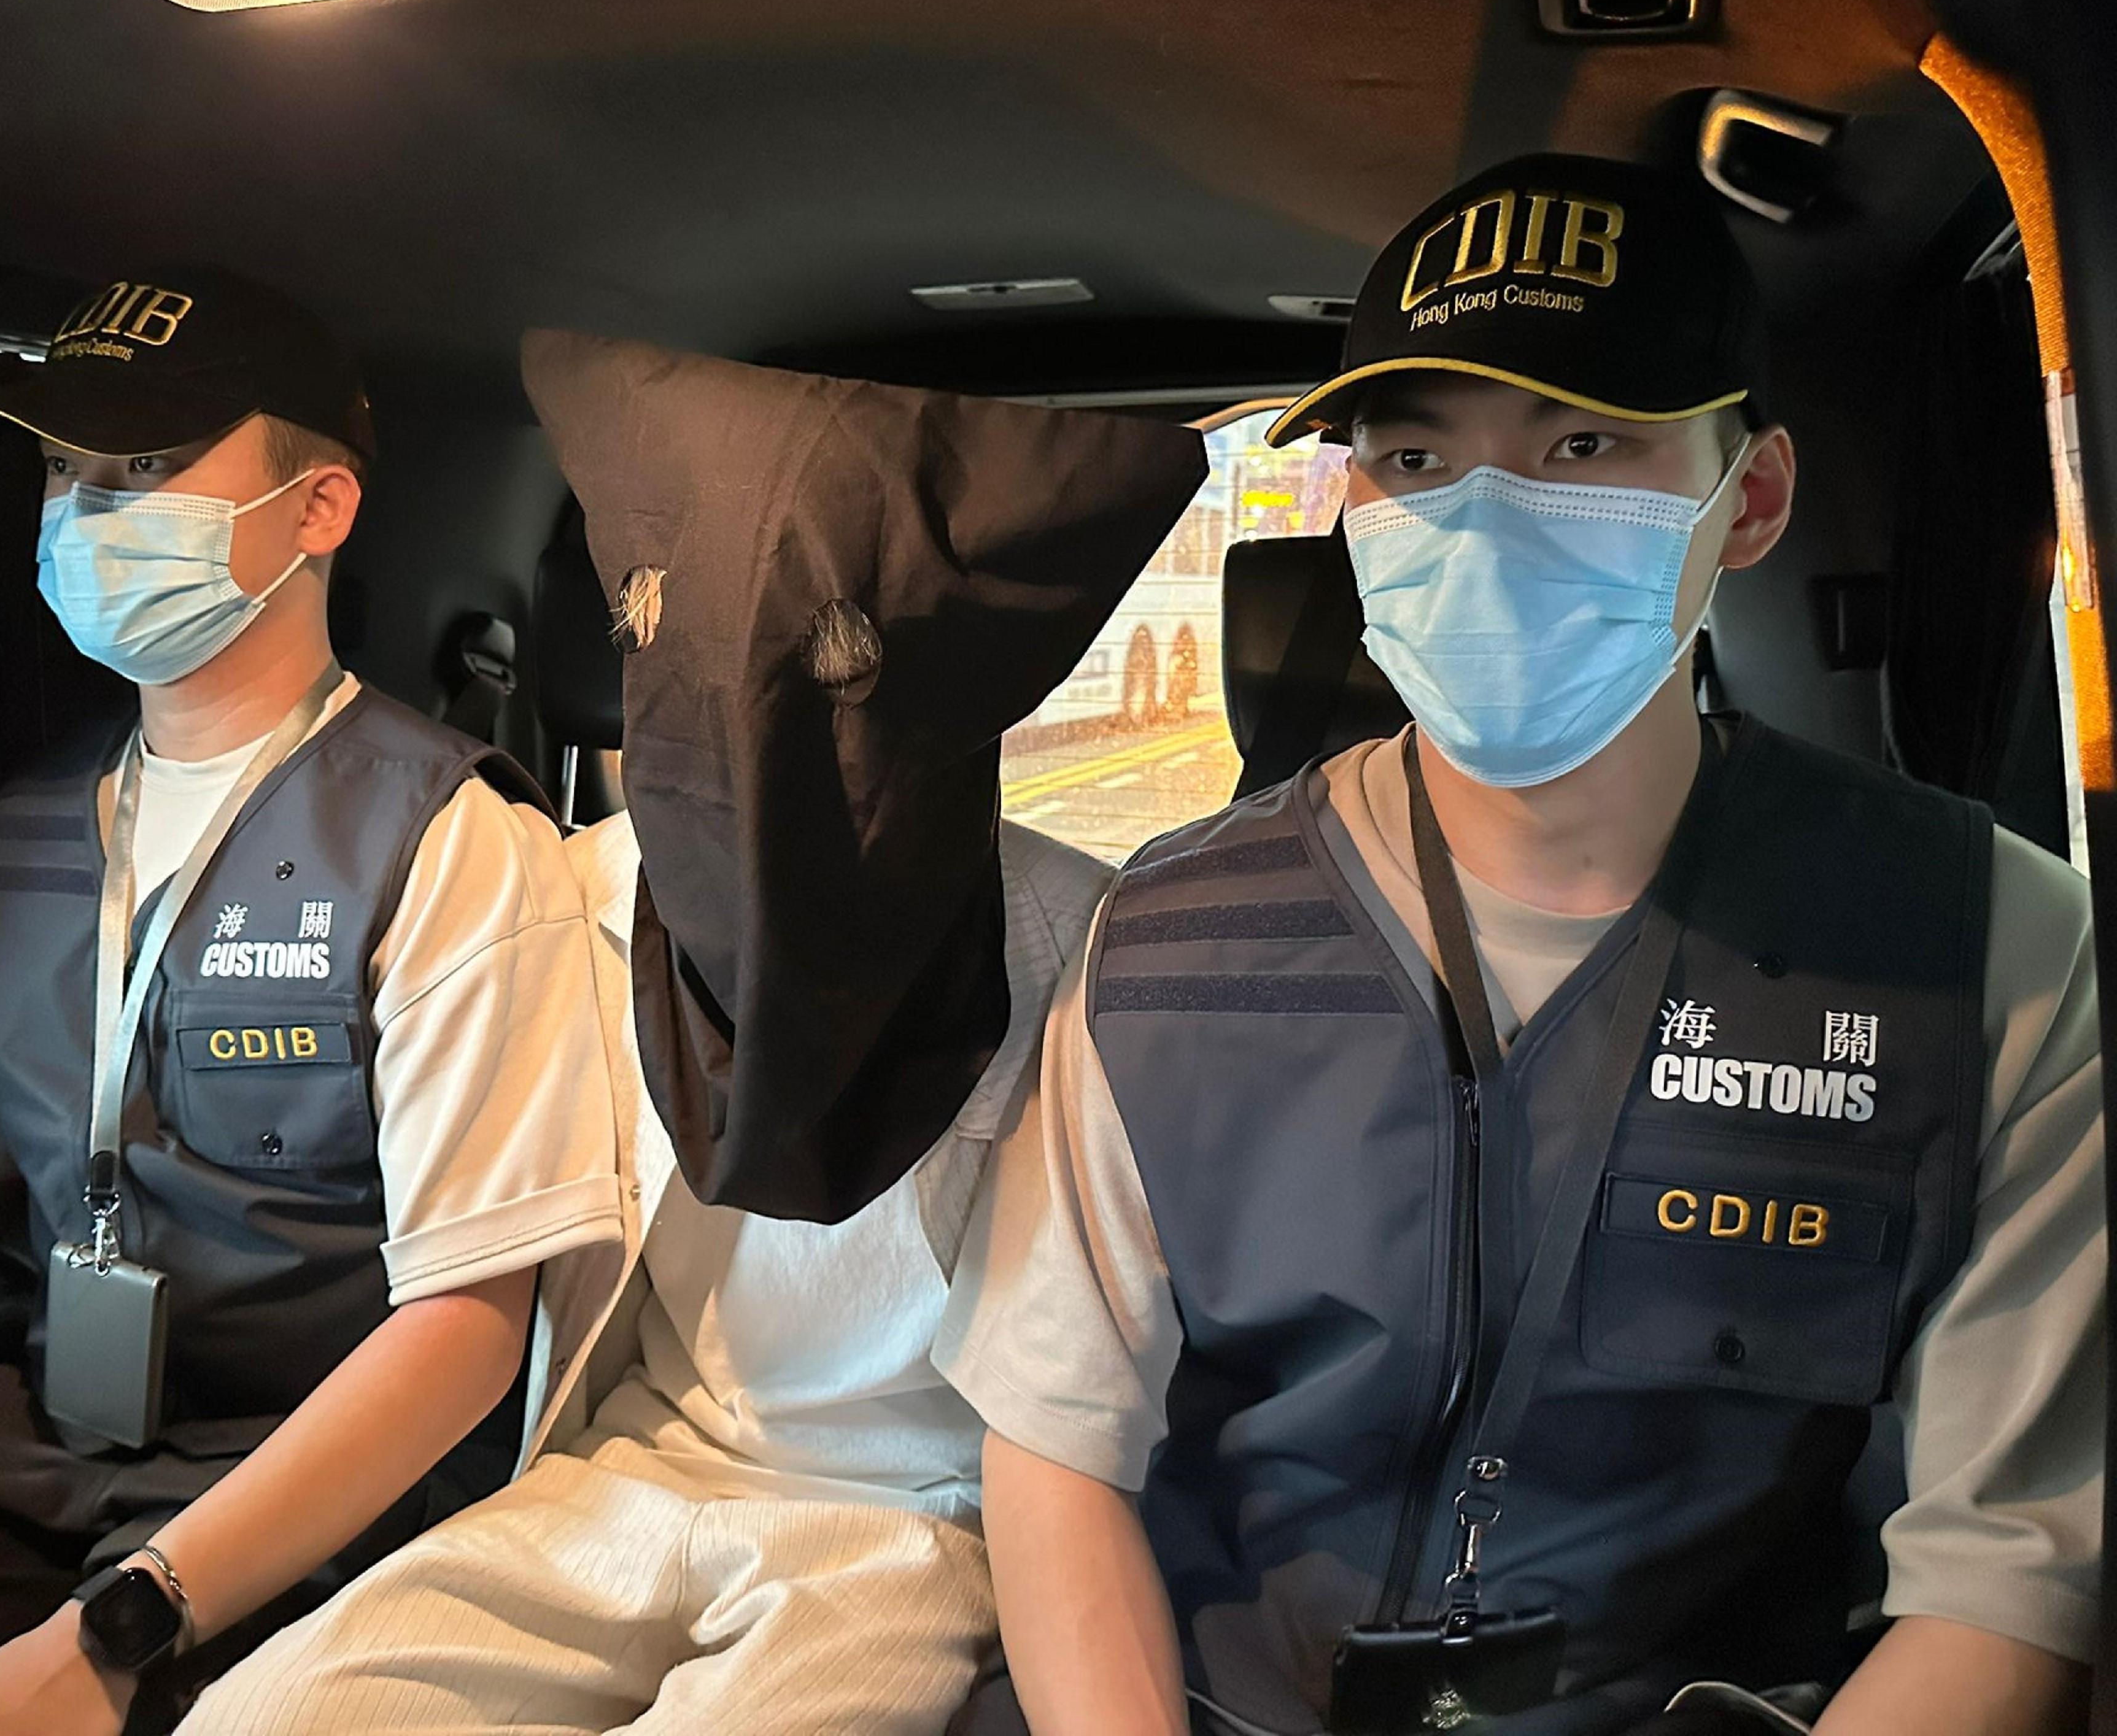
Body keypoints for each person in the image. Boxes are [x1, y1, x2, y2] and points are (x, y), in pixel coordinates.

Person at [941, 154, 2103, 1735]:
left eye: (1581, 443)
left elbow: (2003, 1575)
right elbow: (1055, 1447)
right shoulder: (1164, 942)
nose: (1481, 522)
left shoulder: (1987, 953)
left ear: (1749, 499)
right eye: (1414, 456)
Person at [176, 331, 1209, 1735]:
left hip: (909, 1513)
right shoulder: (570, 892)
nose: (741, 735)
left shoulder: (1078, 949)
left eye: (829, 673)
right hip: (623, 1467)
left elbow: (1059, 1378)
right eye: (685, 658)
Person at [0, 271, 627, 1736]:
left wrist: (116, 1631)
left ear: (318, 510)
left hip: (320, 1452)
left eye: (144, 467)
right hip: (50, 1417)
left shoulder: (447, 838)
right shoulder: (25, 829)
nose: (84, 514)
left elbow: (469, 1325)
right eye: (64, 472)